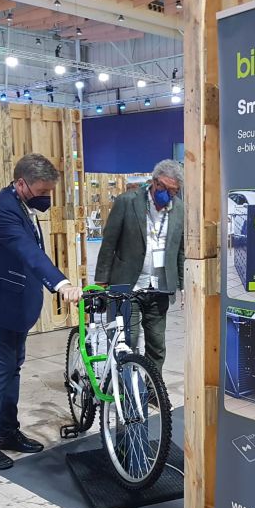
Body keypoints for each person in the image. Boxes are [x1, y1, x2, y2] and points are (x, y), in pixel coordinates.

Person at [0, 153, 83, 471]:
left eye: (49, 192)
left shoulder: (21, 205)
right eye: (42, 192)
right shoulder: (2, 212)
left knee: (12, 368)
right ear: (21, 183)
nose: (46, 198)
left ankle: (6, 431)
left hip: (11, 302)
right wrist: (61, 283)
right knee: (0, 370)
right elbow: (29, 252)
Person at [94, 159, 185, 373]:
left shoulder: (180, 209)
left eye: (174, 191)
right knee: (127, 342)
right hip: (128, 284)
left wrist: (182, 286)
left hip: (160, 288)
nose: (169, 195)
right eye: (166, 188)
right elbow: (109, 242)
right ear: (155, 182)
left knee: (157, 345)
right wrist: (101, 281)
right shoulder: (127, 201)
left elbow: (179, 250)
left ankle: (154, 393)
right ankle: (126, 395)